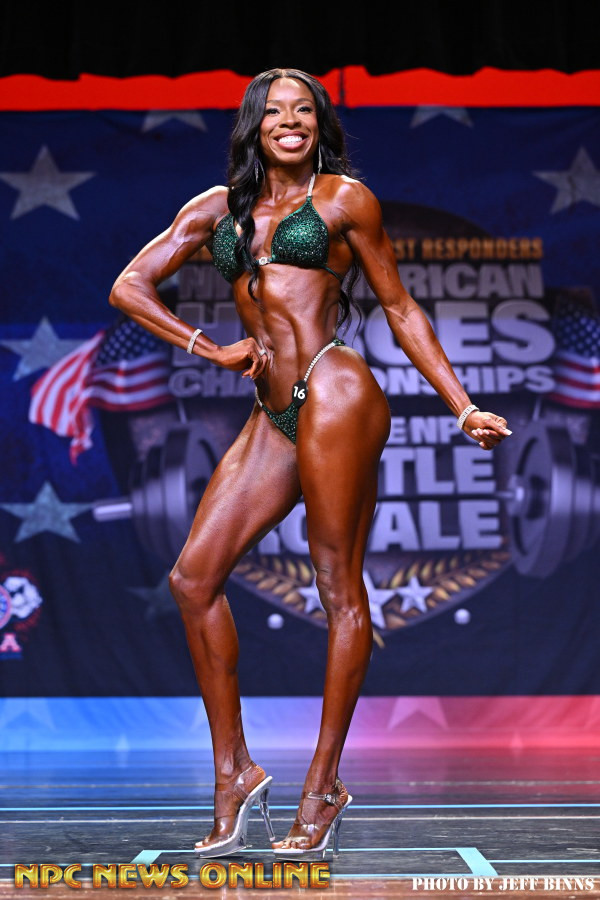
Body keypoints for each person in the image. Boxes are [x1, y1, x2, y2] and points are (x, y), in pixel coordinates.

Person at [109, 67, 512, 860]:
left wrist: (461, 405)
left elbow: (399, 306)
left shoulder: (344, 200)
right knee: (193, 579)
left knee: (337, 587)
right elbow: (129, 285)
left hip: (335, 390)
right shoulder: (216, 209)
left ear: (318, 125)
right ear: (255, 127)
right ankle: (235, 773)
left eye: (303, 110)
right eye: (275, 111)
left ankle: (323, 785)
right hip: (272, 411)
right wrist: (207, 346)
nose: (289, 120)